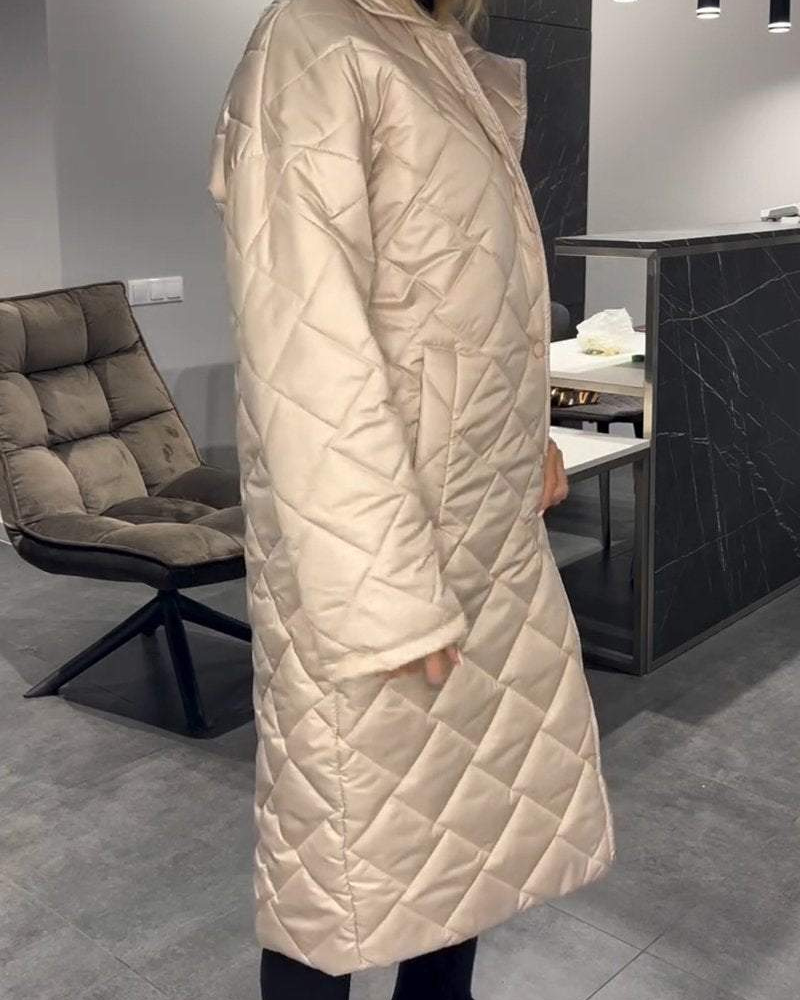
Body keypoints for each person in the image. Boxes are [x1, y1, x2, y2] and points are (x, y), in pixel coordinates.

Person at [208, 0, 615, 995]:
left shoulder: (434, 50)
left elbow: (461, 296)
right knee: (335, 863)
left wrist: (526, 433)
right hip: (371, 546)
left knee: (460, 840)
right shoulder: (313, 42)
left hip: (474, 527)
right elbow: (306, 348)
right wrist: (385, 596)